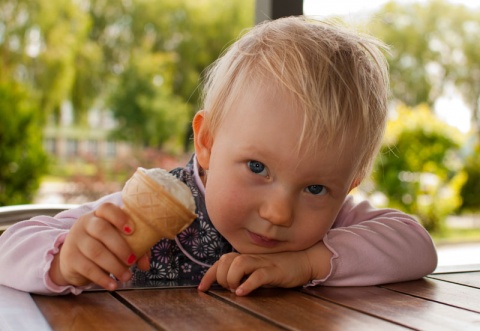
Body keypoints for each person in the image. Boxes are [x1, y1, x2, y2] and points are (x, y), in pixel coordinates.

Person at [0, 16, 437, 296]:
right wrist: (64, 259)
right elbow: (10, 246)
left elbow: (417, 247)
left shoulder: (332, 225)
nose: (279, 212)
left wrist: (304, 263)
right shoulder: (148, 211)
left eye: (316, 188)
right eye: (258, 167)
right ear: (206, 141)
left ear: (350, 183)